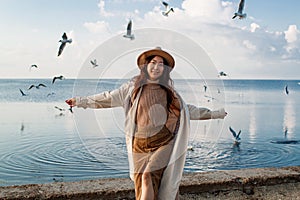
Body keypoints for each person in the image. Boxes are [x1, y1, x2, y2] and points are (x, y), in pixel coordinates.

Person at [66, 47, 227, 200]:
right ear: (146, 65)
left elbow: (188, 111)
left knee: (147, 175)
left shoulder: (169, 92)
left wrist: (214, 114)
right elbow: (107, 98)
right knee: (142, 186)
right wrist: (80, 101)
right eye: (153, 63)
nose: (156, 67)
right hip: (139, 145)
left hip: (163, 143)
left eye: (161, 64)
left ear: (165, 69)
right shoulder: (132, 88)